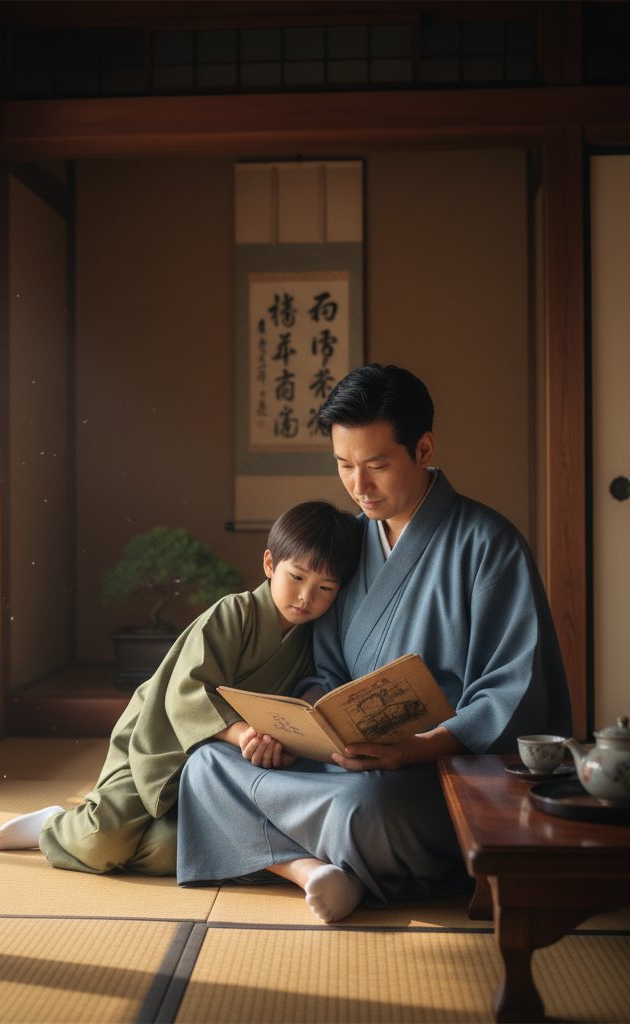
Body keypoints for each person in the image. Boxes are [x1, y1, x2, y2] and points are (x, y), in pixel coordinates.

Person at [176, 363, 573, 923]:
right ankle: (311, 869)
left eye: (377, 465)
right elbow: (326, 667)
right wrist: (305, 725)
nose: (359, 487)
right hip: (346, 762)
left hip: (437, 774)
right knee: (207, 766)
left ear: (424, 448)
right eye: (344, 466)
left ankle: (312, 853)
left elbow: (514, 691)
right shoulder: (348, 546)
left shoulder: (490, 545)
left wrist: (422, 746)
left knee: (368, 810)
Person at [0, 500, 362, 876]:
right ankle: (56, 825)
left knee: (173, 851)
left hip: (221, 765)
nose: (305, 597)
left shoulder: (311, 641)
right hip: (157, 743)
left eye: (325, 587)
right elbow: (187, 692)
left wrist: (277, 741)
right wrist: (244, 732)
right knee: (103, 841)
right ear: (269, 565)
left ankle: (94, 825)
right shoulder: (234, 613)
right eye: (296, 577)